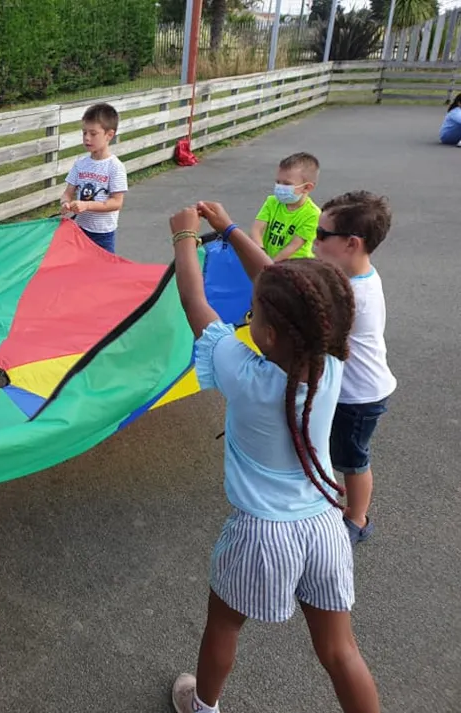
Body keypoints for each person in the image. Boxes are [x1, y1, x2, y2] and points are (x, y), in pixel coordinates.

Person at [167, 203, 380, 713]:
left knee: (224, 625)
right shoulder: (328, 361)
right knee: (339, 650)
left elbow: (195, 300)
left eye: (255, 311)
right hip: (326, 528)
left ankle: (202, 706)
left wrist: (185, 238)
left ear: (265, 333)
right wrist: (229, 229)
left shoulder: (244, 372)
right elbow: (284, 287)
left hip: (261, 534)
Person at [313, 192, 396, 545]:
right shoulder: (352, 276)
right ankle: (331, 504)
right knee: (330, 449)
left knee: (352, 458)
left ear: (351, 243)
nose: (314, 241)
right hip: (346, 390)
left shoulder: (353, 296)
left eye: (321, 235)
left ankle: (357, 519)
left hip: (358, 397)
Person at [59, 103, 128, 253]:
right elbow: (68, 193)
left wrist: (87, 206)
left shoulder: (115, 167)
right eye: (84, 133)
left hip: (103, 234)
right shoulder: (80, 164)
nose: (87, 138)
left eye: (93, 133)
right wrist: (65, 203)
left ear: (109, 135)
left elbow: (117, 203)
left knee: (104, 272)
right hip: (79, 230)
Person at [250, 152, 321, 261]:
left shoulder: (313, 214)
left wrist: (270, 264)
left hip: (295, 265)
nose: (280, 187)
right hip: (266, 259)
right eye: (278, 182)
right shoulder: (272, 202)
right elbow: (256, 229)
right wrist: (261, 252)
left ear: (307, 188)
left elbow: (293, 246)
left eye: (287, 184)